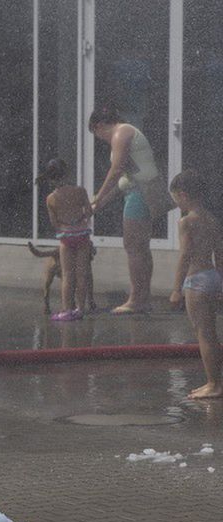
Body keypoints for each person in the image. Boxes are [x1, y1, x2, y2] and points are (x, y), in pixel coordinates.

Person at [89, 106, 161, 314]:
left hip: (141, 193)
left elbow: (117, 170)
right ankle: (143, 298)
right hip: (139, 190)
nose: (100, 138)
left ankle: (136, 299)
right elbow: (124, 179)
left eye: (96, 134)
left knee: (133, 246)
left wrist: (98, 196)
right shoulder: (127, 132)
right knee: (140, 247)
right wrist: (100, 203)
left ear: (99, 125)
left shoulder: (121, 132)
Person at [168, 170, 223, 399]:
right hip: (212, 276)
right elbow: (220, 253)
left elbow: (185, 256)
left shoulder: (187, 221)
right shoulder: (212, 219)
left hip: (196, 280)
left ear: (184, 195)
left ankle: (214, 385)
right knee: (210, 333)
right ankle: (215, 382)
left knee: (204, 334)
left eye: (176, 200)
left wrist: (175, 289)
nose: (177, 204)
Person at [37, 158, 94, 321]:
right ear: (67, 173)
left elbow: (54, 223)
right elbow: (89, 212)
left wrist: (66, 224)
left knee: (68, 275)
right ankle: (80, 309)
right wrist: (80, 218)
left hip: (66, 238)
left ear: (51, 177)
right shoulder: (80, 191)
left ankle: (66, 310)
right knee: (82, 274)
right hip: (82, 235)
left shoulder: (51, 198)